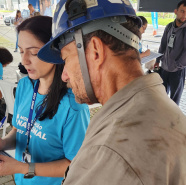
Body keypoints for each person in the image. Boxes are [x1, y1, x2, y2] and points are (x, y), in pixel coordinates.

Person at [38, 0, 186, 184]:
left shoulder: (110, 151)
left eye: (66, 58)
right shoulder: (161, 107)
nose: (64, 76)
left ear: (95, 51)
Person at [0, 16, 90, 185]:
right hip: (21, 180)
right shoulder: (24, 85)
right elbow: (19, 130)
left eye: (34, 52)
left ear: (56, 51)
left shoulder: (73, 106)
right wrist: (1, 143)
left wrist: (23, 168)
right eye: (22, 51)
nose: (24, 61)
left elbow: (75, 165)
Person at [154, 1, 186, 105]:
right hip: (164, 68)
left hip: (177, 72)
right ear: (176, 11)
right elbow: (163, 44)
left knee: (174, 100)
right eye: (182, 11)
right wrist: (158, 60)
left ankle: (172, 121)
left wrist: (177, 65)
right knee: (161, 96)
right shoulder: (169, 27)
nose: (184, 15)